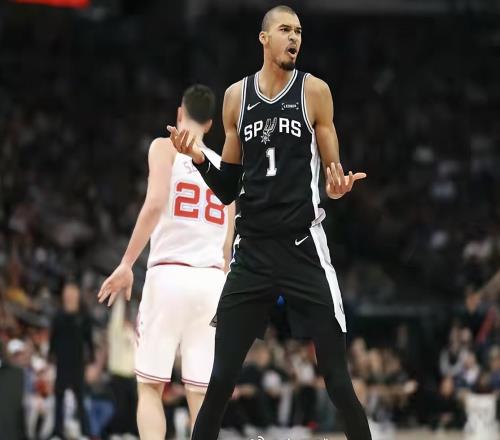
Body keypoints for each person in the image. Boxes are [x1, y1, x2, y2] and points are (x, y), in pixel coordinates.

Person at [168, 5, 372, 439]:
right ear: (264, 38)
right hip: (253, 252)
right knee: (220, 379)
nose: (294, 37)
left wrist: (336, 187)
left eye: (298, 31)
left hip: (303, 247)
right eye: (285, 30)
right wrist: (198, 156)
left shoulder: (314, 91)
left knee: (337, 379)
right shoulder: (236, 97)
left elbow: (333, 171)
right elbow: (228, 188)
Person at [97, 84, 235, 440]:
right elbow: (228, 247)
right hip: (212, 283)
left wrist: (127, 263)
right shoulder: (225, 167)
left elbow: (156, 202)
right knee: (200, 394)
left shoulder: (164, 147)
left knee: (150, 387)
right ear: (210, 124)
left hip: (169, 275)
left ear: (179, 113)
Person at [50, 281, 94, 439]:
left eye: (72, 291)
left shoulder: (84, 316)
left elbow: (89, 341)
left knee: (80, 399)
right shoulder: (58, 316)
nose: (69, 294)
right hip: (62, 363)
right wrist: (50, 356)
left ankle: (85, 432)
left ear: (77, 294)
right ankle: (57, 432)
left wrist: (91, 361)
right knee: (59, 398)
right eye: (67, 291)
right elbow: (53, 338)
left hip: (78, 364)